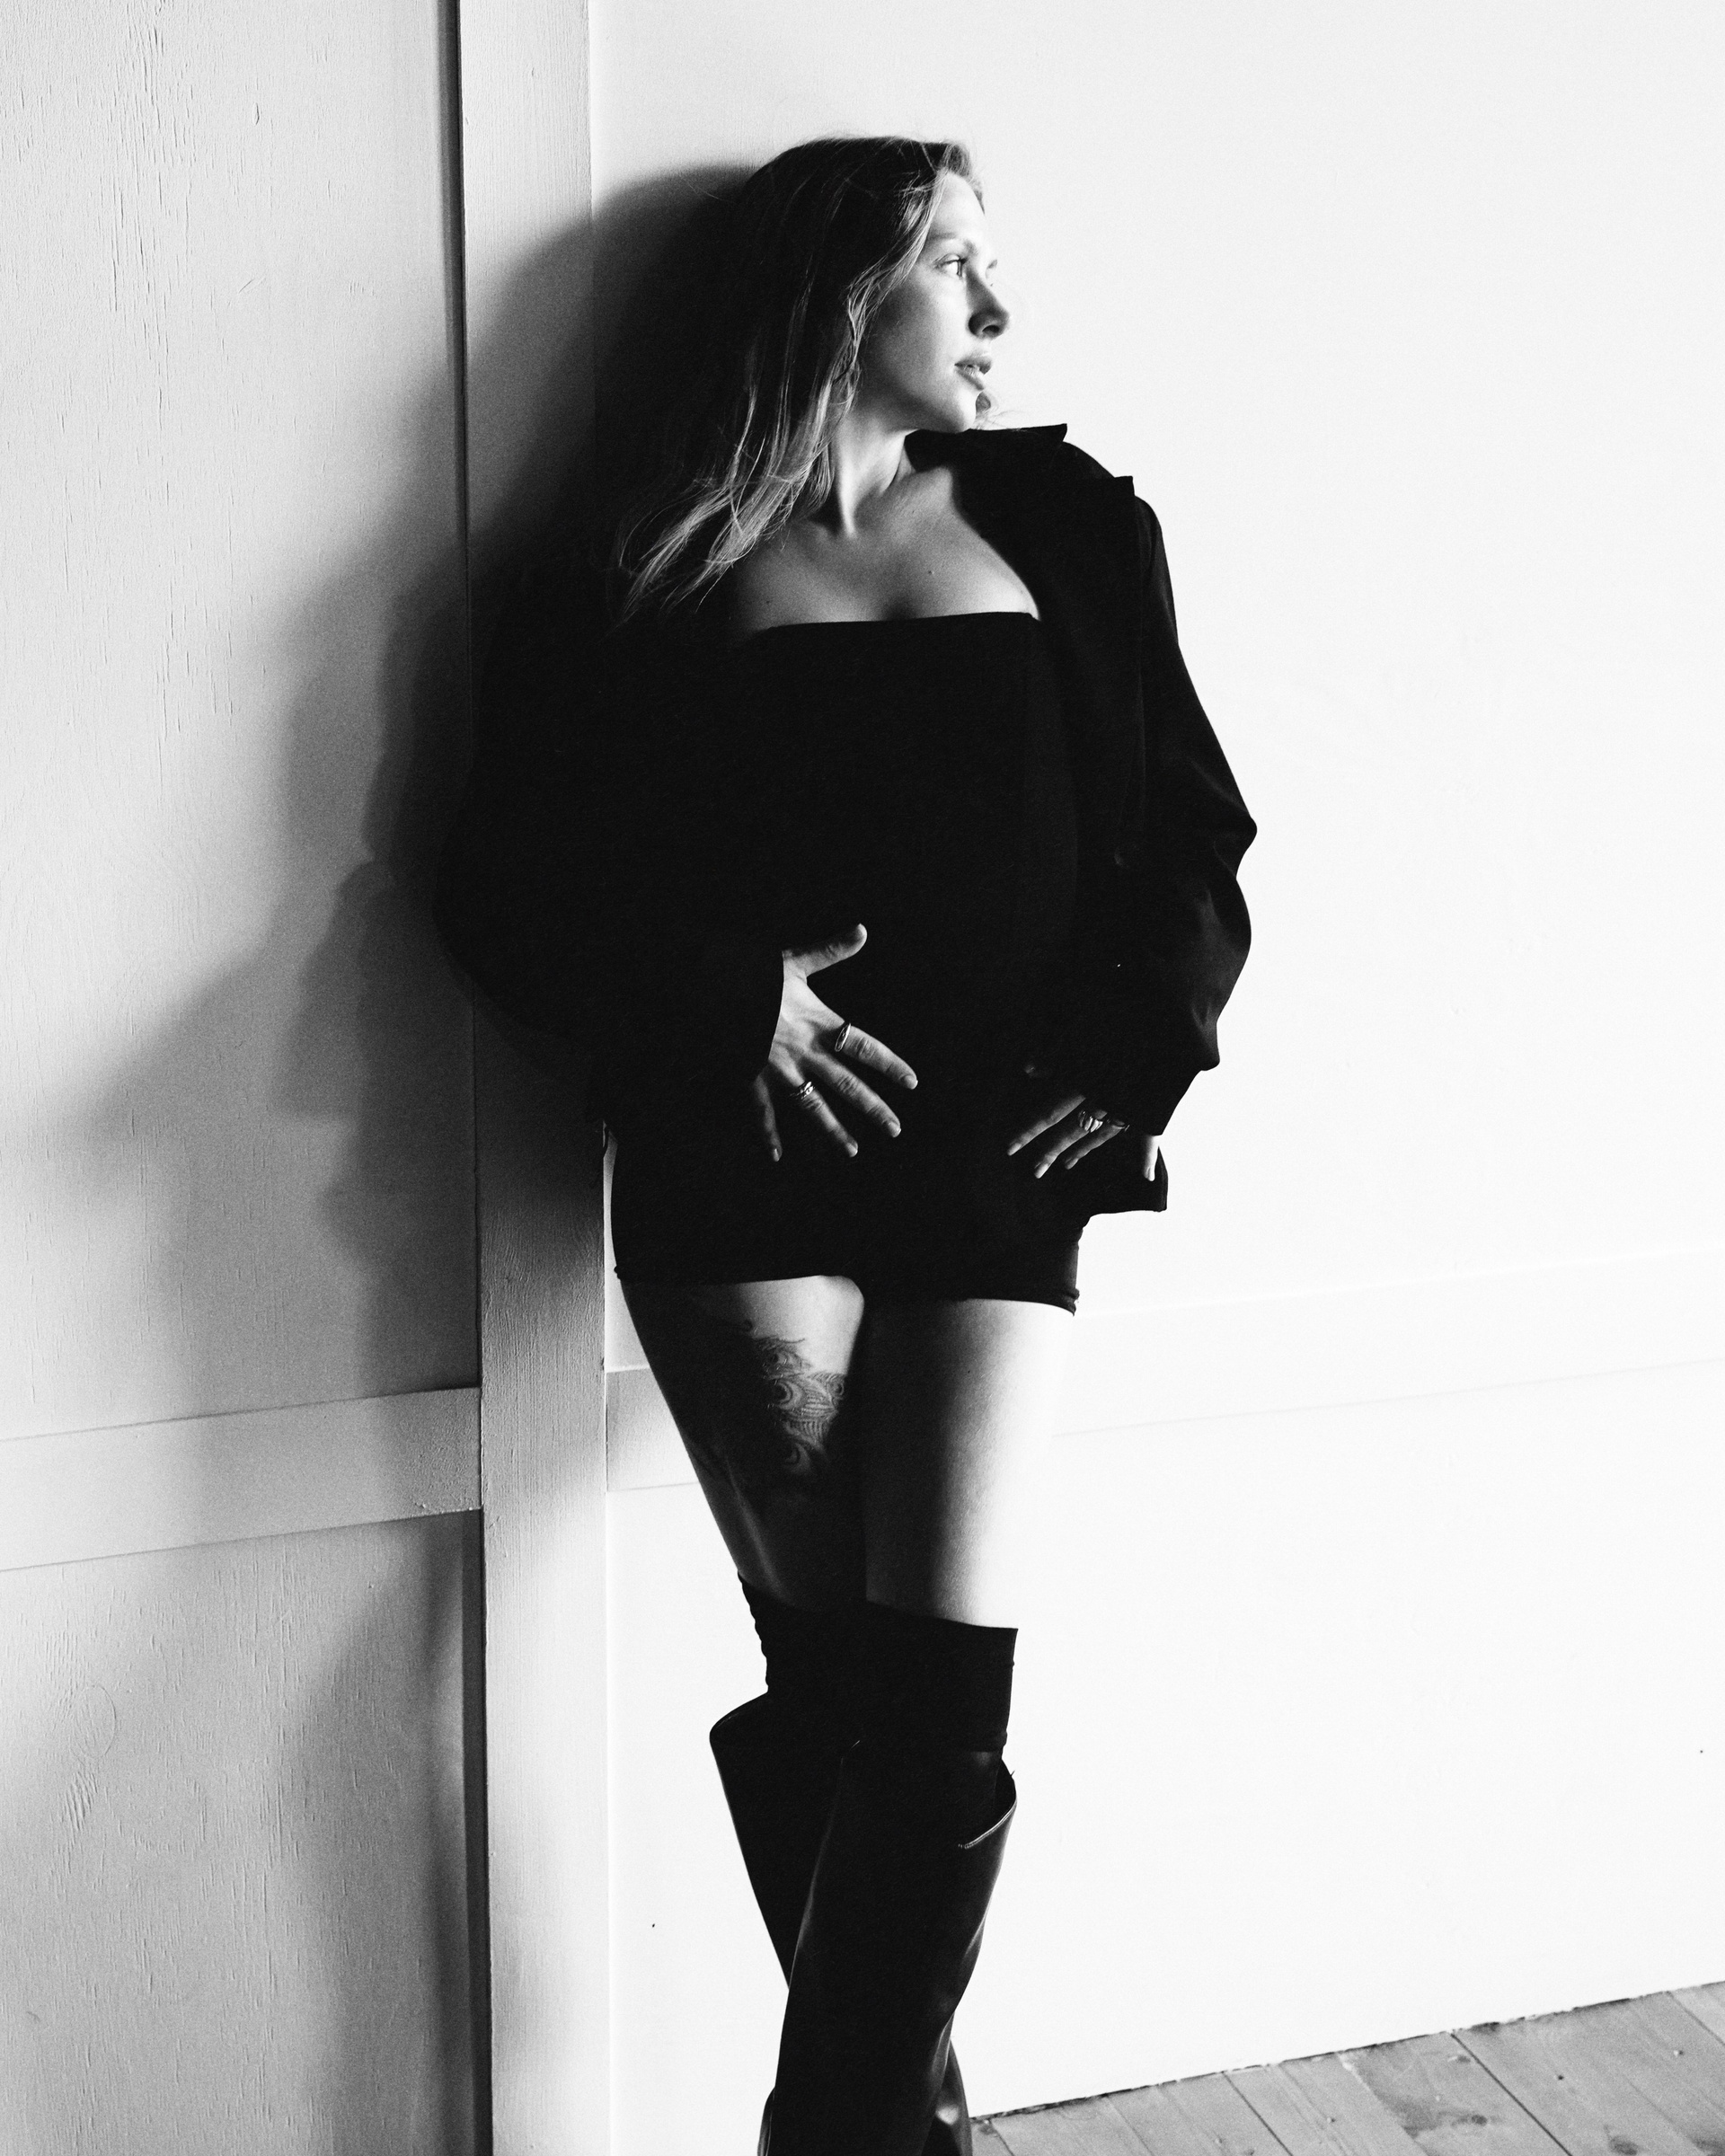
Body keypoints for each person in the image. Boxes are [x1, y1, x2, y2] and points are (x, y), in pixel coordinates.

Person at [436, 135, 1255, 2156]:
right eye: (954, 263)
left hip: (1001, 1166)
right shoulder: (639, 568)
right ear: (831, 294)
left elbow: (1194, 834)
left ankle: (832, 2133)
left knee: (942, 1704)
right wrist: (734, 998)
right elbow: (500, 884)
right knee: (832, 1691)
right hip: (743, 1166)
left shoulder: (1069, 522)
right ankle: (905, 2132)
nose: (999, 308)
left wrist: (1142, 1050)